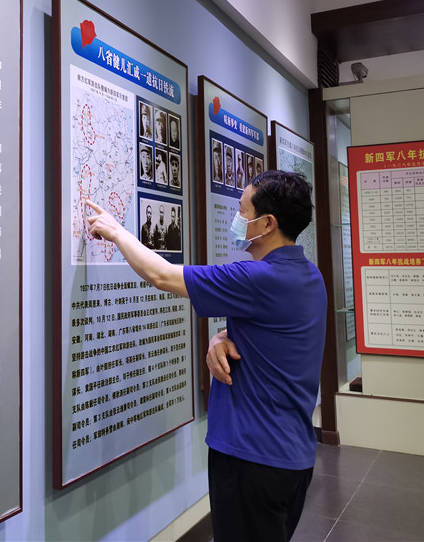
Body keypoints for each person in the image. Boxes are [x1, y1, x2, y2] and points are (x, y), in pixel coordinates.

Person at [86, 170, 326, 542]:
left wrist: (117, 231)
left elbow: (162, 275)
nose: (237, 218)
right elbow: (278, 334)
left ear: (267, 223)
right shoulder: (309, 276)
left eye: (243, 211)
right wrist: (222, 337)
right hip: (292, 456)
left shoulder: (258, 278)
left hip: (251, 458)